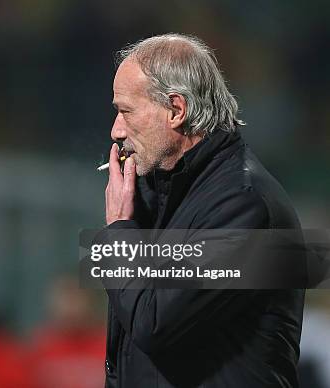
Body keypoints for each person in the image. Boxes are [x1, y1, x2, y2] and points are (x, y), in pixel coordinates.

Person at [100, 34, 304, 387]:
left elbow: (154, 324)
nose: (116, 130)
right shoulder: (161, 194)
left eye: (126, 111)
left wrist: (120, 229)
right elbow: (128, 349)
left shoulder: (243, 204)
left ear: (176, 110)